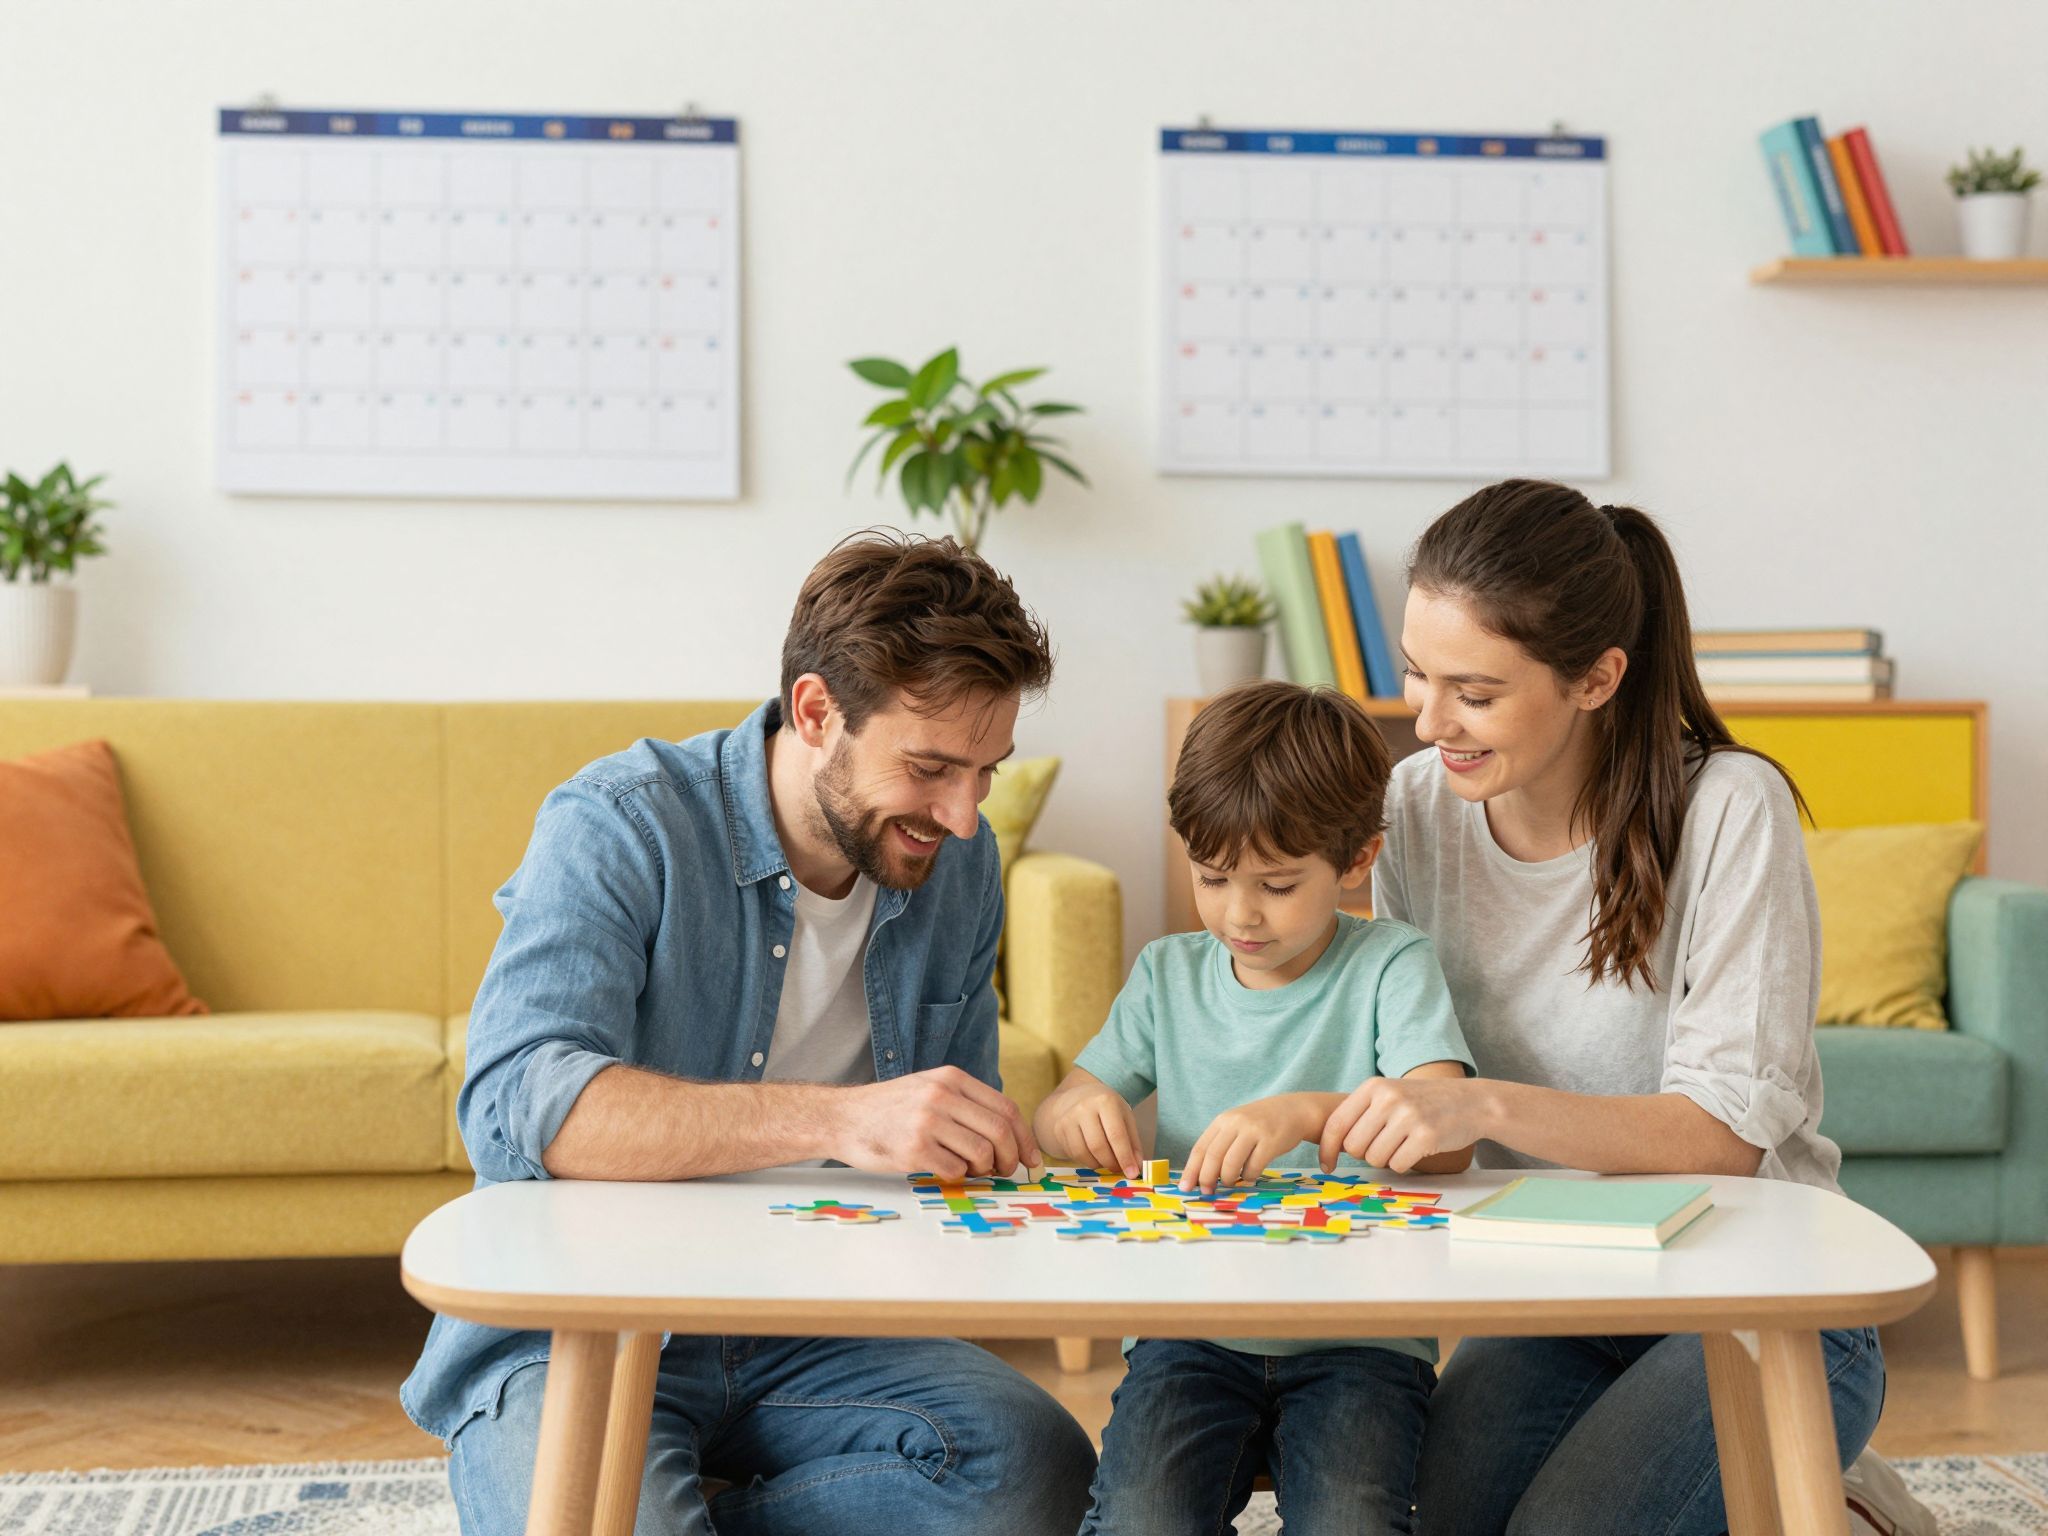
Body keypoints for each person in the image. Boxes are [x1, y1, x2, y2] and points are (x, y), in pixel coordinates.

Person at [401, 531, 1097, 1536]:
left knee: (1035, 1472)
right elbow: (520, 1105)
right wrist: (840, 1121)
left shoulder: (961, 864)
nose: (960, 816)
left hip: (817, 1329)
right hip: (586, 1320)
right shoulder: (621, 822)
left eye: (986, 772)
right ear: (816, 712)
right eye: (930, 768)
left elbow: (951, 1157)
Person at [1311, 479, 1885, 1535]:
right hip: (1554, 1290)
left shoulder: (1727, 808)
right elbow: (1414, 1077)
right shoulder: (1417, 809)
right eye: (1415, 675)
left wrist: (1481, 1105)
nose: (1428, 721)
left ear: (1595, 678)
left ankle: (1839, 1505)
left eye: (1474, 693)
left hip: (1759, 1289)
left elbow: (1722, 1140)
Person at [1033, 680, 1475, 1535]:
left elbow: (1447, 1131)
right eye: (1212, 877)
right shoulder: (1167, 974)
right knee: (1139, 1519)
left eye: (1276, 884)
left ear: (1357, 861)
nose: (1239, 913)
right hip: (1190, 1328)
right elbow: (1063, 1108)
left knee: (1353, 1521)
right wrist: (1078, 1113)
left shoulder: (1392, 964)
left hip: (1362, 1337)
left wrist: (1303, 1114)